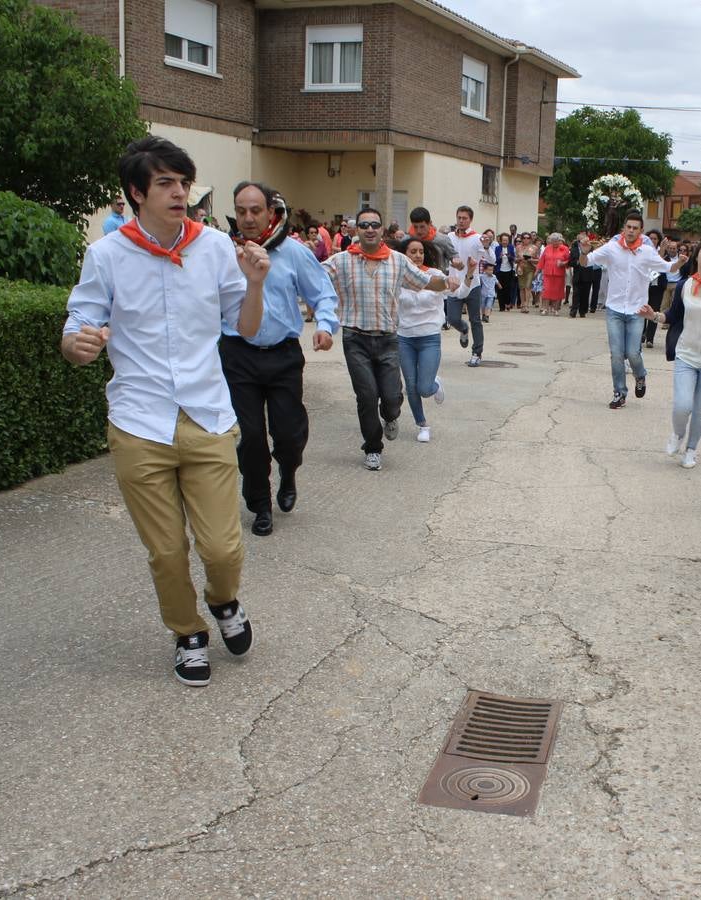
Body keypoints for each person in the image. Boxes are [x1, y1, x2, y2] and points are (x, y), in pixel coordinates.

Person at [60, 136, 269, 687]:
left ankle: (224, 601)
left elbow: (245, 328)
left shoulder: (216, 248)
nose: (181, 193)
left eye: (184, 183)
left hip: (207, 415)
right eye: (166, 184)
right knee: (167, 551)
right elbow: (78, 322)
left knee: (222, 548)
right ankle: (188, 633)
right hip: (138, 421)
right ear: (137, 192)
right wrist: (76, 345)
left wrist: (255, 285)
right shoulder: (107, 255)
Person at [219, 181, 338, 538]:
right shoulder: (224, 252)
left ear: (272, 212)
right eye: (241, 211)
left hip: (283, 355)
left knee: (287, 433)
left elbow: (322, 293)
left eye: (256, 210)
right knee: (250, 436)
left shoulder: (293, 252)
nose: (248, 218)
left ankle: (288, 471)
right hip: (238, 355)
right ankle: (259, 505)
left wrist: (326, 326)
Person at [323, 207, 457, 471]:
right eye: (364, 225)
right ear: (356, 230)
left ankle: (390, 416)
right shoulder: (341, 261)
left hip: (387, 339)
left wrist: (446, 283)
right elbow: (312, 277)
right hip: (355, 339)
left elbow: (425, 281)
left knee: (392, 397)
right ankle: (373, 448)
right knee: (367, 395)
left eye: (374, 224)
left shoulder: (397, 260)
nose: (370, 229)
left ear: (382, 229)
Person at [637, 237, 701, 468]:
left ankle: (691, 449)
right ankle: (678, 434)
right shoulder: (684, 286)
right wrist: (654, 315)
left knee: (700, 409)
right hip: (687, 354)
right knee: (682, 405)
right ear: (697, 256)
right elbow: (672, 316)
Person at [586, 211, 681, 409]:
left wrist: (679, 263)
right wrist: (583, 250)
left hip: (637, 311)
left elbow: (666, 267)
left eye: (635, 228)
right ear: (624, 228)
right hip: (614, 310)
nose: (630, 231)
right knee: (617, 354)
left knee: (633, 353)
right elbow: (586, 261)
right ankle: (619, 393)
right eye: (628, 227)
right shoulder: (611, 248)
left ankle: (640, 376)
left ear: (641, 231)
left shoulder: (647, 252)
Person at [396, 237, 476, 443]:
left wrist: (468, 274)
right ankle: (422, 425)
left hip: (429, 338)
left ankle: (435, 384)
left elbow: (461, 292)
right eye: (412, 251)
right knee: (411, 386)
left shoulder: (435, 276)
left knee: (424, 388)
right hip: (404, 338)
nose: (417, 255)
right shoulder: (396, 277)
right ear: (403, 255)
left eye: (420, 251)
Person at [445, 205, 485, 365]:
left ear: (470, 220)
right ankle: (463, 329)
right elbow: (444, 254)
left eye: (464, 218)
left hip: (473, 284)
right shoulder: (449, 236)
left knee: (475, 319)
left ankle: (477, 353)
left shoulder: (477, 238)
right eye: (459, 218)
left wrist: (486, 248)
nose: (461, 221)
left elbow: (489, 257)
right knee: (452, 318)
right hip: (454, 284)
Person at [537, 232, 572, 316]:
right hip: (548, 273)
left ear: (559, 241)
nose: (555, 243)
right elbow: (542, 260)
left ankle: (556, 309)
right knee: (546, 291)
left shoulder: (565, 249)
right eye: (553, 241)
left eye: (556, 241)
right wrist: (537, 271)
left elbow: (569, 261)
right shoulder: (547, 248)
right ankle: (545, 309)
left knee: (557, 292)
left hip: (559, 274)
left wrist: (563, 263)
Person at [478, 229, 497, 323]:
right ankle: (480, 314)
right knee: (479, 298)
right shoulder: (476, 247)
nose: (487, 239)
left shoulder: (490, 250)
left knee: (487, 298)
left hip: (486, 276)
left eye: (490, 237)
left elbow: (493, 261)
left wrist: (486, 249)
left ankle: (486, 315)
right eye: (486, 237)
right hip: (476, 276)